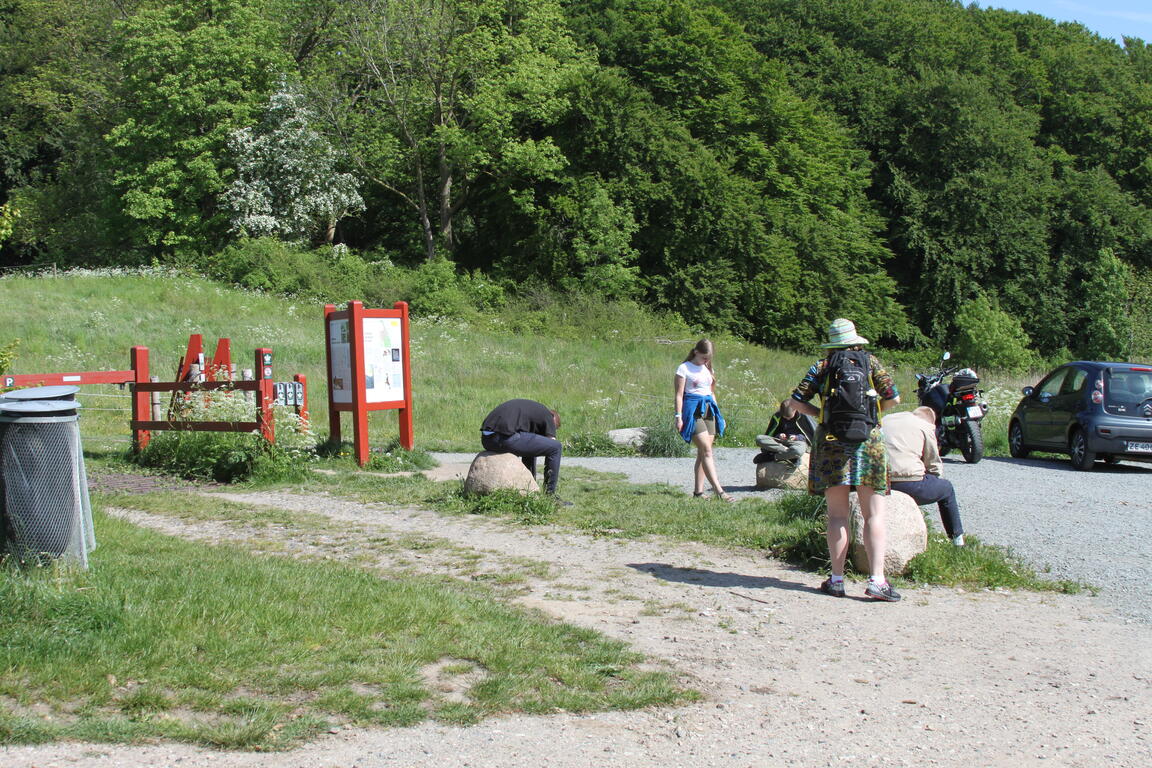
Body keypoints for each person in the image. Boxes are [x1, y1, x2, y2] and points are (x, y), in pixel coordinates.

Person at [787, 318, 902, 601]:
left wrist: (821, 415)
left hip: (830, 442)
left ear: (831, 344)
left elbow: (796, 401)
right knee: (873, 514)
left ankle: (837, 579)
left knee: (837, 514)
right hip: (869, 442)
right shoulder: (871, 363)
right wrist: (874, 415)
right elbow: (894, 398)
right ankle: (877, 580)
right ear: (855, 341)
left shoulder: (822, 367)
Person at [883, 406, 966, 546]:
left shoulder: (886, 419)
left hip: (878, 482)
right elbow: (934, 465)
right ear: (931, 422)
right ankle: (957, 540)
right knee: (947, 489)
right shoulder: (925, 426)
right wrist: (933, 476)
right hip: (911, 485)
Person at [674, 339, 734, 502]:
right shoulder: (684, 368)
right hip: (692, 410)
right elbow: (679, 395)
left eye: (709, 358)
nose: (706, 361)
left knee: (703, 452)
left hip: (709, 409)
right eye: (704, 357)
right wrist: (678, 417)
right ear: (696, 352)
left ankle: (698, 493)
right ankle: (719, 491)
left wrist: (718, 414)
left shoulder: (708, 368)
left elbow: (711, 392)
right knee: (706, 449)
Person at [480, 399, 566, 500]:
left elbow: (531, 446)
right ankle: (550, 496)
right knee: (556, 447)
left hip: (487, 440)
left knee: (531, 444)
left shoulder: (532, 412)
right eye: (554, 428)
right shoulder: (548, 416)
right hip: (503, 437)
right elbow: (551, 442)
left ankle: (528, 486)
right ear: (553, 421)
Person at [754, 400, 816, 465]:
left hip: (798, 442)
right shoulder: (777, 415)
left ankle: (773, 457)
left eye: (789, 417)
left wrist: (796, 437)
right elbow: (772, 434)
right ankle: (789, 454)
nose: (787, 419)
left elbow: (809, 435)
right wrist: (779, 435)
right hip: (781, 442)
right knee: (759, 439)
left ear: (795, 410)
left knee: (797, 451)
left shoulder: (804, 416)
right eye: (785, 417)